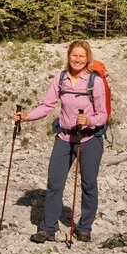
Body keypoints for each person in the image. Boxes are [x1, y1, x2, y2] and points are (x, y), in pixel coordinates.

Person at [14, 40, 107, 243]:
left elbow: (103, 115)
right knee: (54, 183)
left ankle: (85, 227)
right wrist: (27, 117)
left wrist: (89, 120)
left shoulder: (95, 81)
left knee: (88, 184)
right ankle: (48, 228)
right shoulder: (61, 78)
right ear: (68, 56)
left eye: (82, 56)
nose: (77, 59)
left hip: (89, 139)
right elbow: (47, 105)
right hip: (64, 138)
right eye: (74, 55)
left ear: (87, 58)